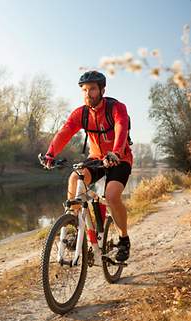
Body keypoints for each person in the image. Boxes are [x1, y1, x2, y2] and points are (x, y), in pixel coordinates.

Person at [40, 70, 133, 262]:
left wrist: (116, 151)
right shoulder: (81, 114)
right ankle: (73, 223)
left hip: (119, 158)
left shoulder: (116, 108)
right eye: (84, 90)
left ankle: (124, 239)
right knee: (75, 178)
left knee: (112, 195)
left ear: (102, 90)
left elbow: (121, 127)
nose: (87, 93)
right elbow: (65, 132)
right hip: (97, 158)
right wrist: (50, 154)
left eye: (92, 89)